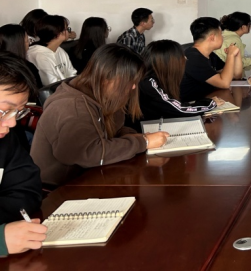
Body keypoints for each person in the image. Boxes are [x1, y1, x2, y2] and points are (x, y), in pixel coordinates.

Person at [30, 44, 169, 187]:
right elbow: (89, 153)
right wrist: (143, 142)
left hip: (92, 176)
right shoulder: (72, 107)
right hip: (59, 188)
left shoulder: (103, 93)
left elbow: (115, 130)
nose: (134, 87)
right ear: (107, 77)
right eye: (130, 81)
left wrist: (137, 136)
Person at [0, 52, 46, 256]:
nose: (11, 123)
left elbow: (28, 191)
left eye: (18, 112)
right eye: (4, 111)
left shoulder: (5, 140)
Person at [128, 40, 218, 131]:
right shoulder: (148, 83)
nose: (185, 58)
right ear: (169, 62)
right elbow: (179, 110)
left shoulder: (151, 79)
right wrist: (211, 103)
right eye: (181, 56)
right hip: (141, 133)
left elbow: (171, 105)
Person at [180, 17, 251, 102]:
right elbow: (224, 83)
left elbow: (236, 75)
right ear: (212, 38)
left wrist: (236, 54)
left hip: (209, 98)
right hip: (191, 104)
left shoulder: (210, 55)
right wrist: (230, 55)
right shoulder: (193, 58)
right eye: (221, 34)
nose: (223, 38)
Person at [25, 15, 77, 86]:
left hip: (66, 88)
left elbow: (72, 73)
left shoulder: (60, 50)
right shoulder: (38, 55)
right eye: (66, 29)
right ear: (58, 34)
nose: (69, 32)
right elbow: (50, 84)